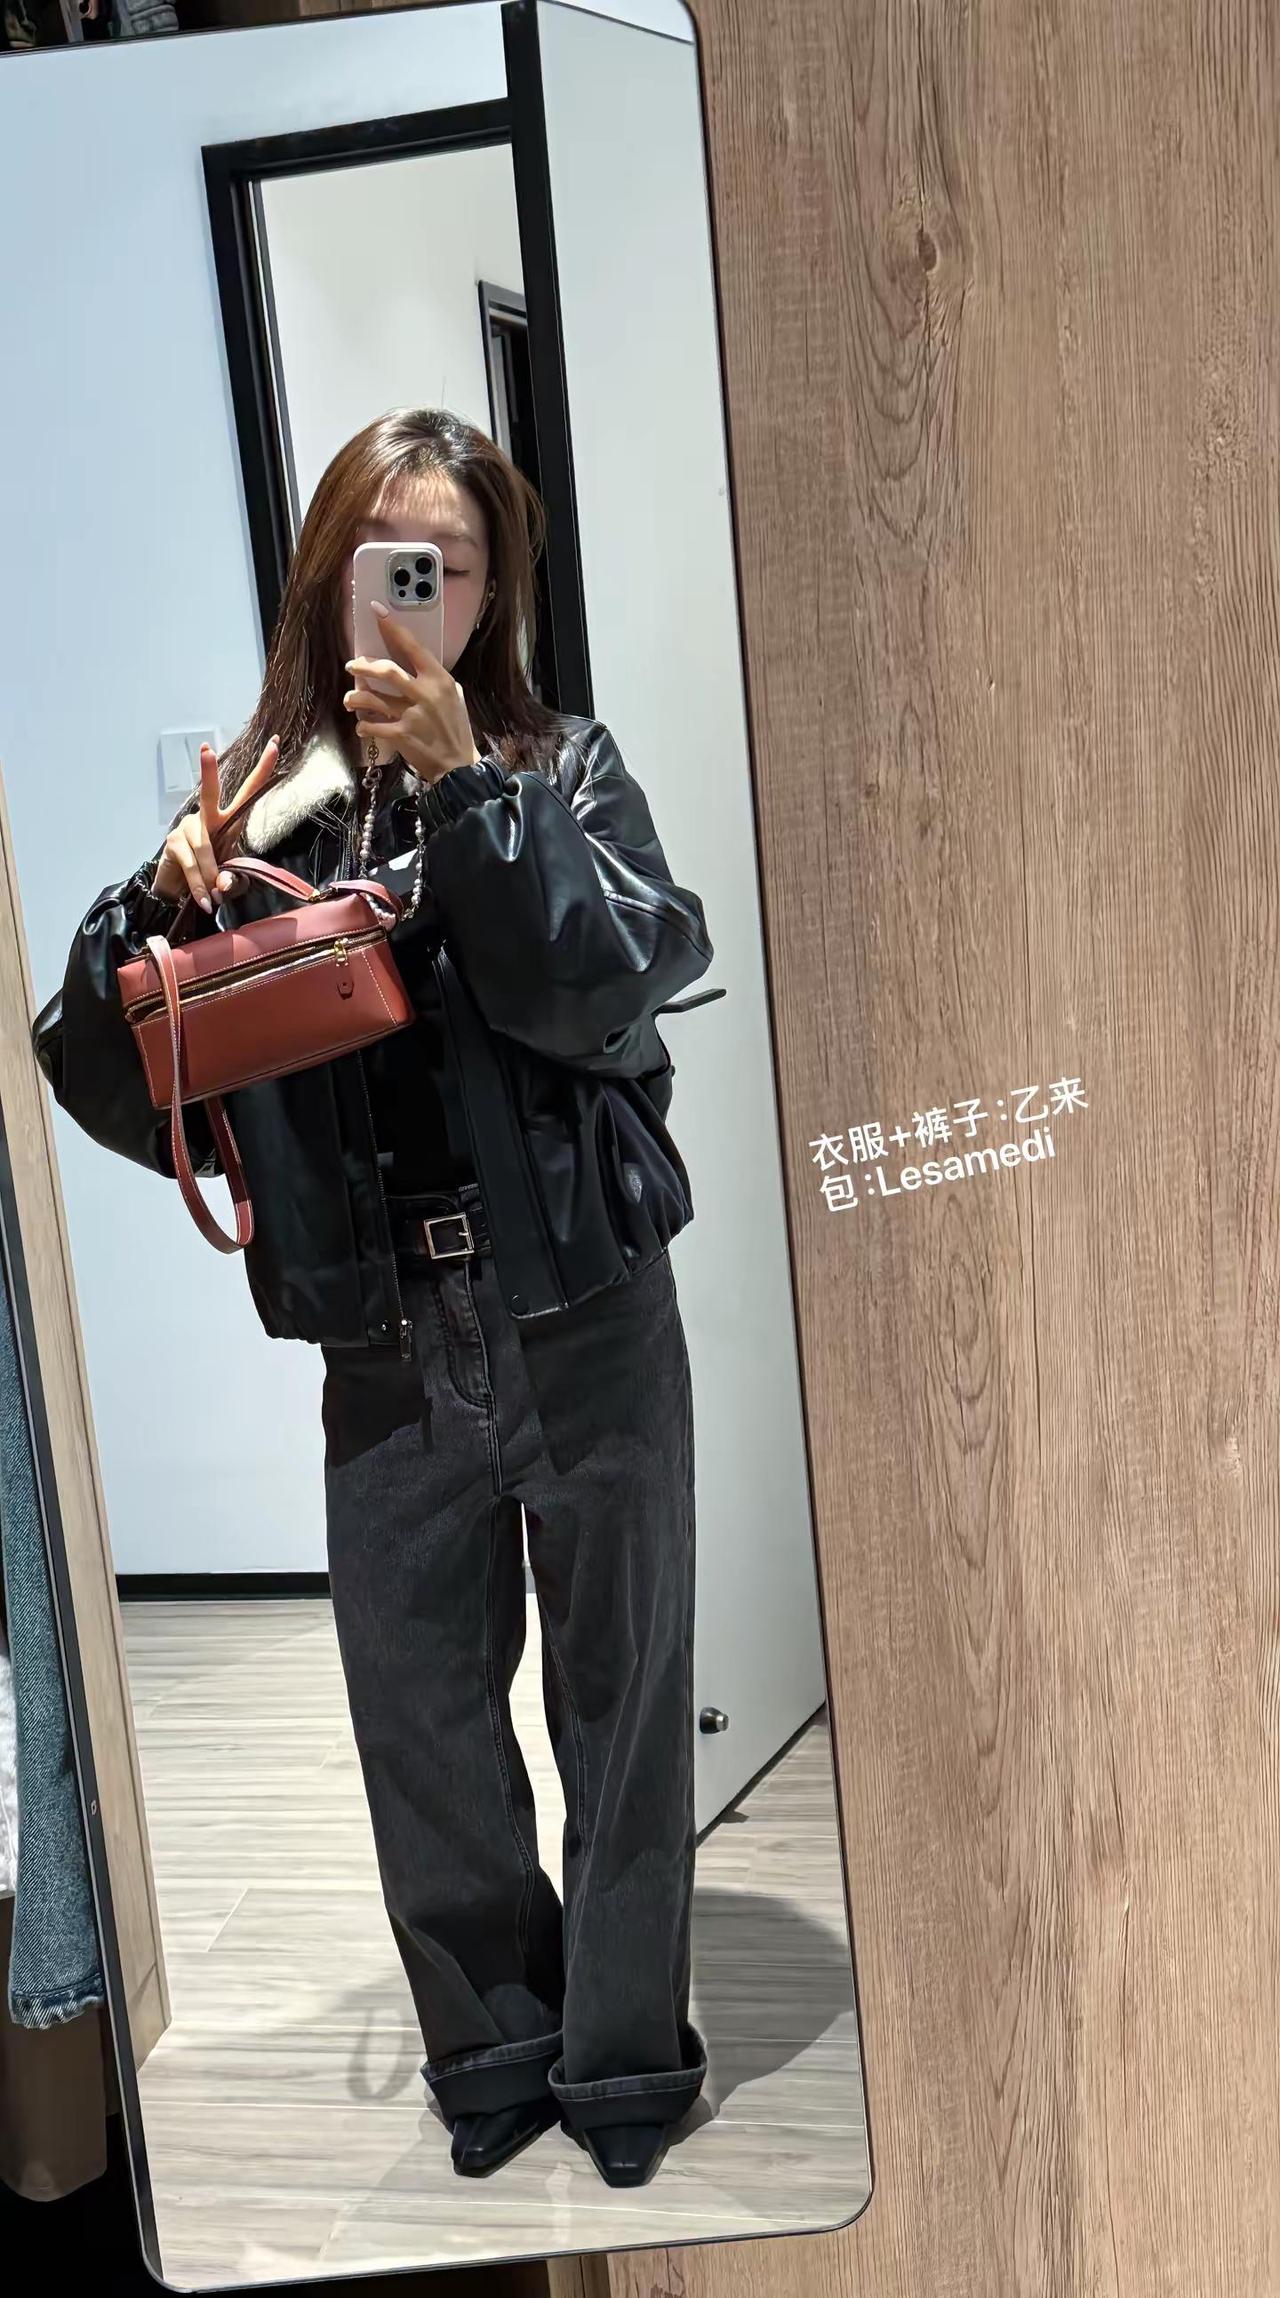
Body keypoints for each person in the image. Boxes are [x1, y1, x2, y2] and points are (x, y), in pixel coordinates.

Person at [31, 406, 718, 2189]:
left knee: (624, 1700)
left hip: (585, 1314)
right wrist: (151, 910)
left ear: (493, 590)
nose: (420, 595)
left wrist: (478, 792)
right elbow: (97, 1073)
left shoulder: (562, 769)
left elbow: (605, 982)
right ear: (328, 577)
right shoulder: (264, 814)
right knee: (421, 1718)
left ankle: (624, 2062)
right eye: (386, 561)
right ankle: (491, 2042)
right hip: (386, 1344)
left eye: (453, 565)